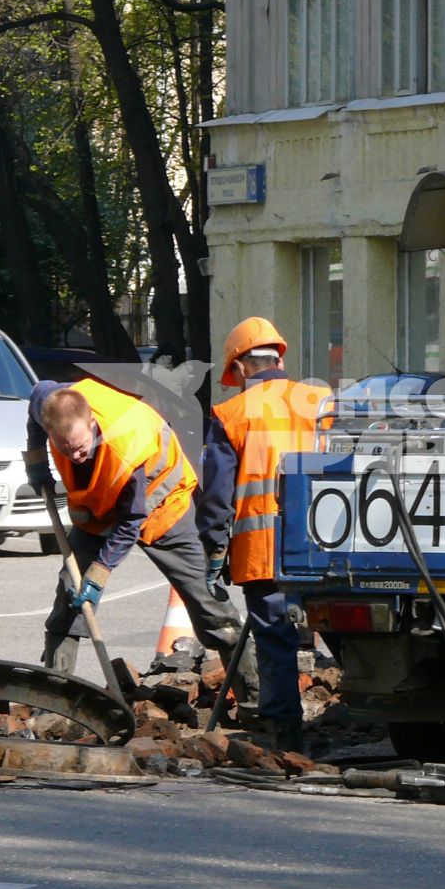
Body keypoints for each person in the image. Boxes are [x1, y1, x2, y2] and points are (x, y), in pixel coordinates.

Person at [25, 377, 241, 676]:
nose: (75, 456)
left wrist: (98, 575)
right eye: (65, 449)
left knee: (205, 600)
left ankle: (253, 698)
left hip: (163, 508)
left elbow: (130, 522)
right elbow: (37, 402)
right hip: (98, 510)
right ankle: (56, 692)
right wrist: (35, 463)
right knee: (71, 595)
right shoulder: (51, 405)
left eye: (80, 447)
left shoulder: (126, 449)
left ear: (91, 425)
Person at [196, 317, 323, 754]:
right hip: (328, 546)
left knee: (275, 640)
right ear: (276, 359)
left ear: (242, 367)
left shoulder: (233, 413)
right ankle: (374, 709)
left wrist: (213, 549)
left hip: (264, 550)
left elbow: (216, 495)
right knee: (347, 631)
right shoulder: (321, 400)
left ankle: (285, 735)